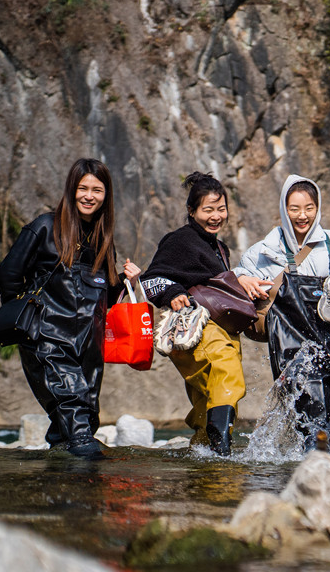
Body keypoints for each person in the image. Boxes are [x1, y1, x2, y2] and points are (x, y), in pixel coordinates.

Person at [0, 158, 140, 459]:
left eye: (97, 190)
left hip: (87, 346)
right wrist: (28, 322)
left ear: (106, 195)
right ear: (71, 190)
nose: (89, 196)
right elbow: (8, 274)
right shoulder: (45, 227)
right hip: (47, 340)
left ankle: (61, 493)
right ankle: (84, 487)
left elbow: (105, 298)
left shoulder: (103, 239)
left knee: (82, 417)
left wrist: (126, 280)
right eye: (82, 188)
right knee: (77, 424)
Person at [235, 174, 330, 451]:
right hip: (290, 339)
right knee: (309, 398)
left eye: (309, 208)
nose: (302, 215)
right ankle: (315, 455)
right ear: (283, 209)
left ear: (318, 207)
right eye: (294, 208)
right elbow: (238, 274)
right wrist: (243, 280)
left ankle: (326, 460)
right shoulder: (266, 249)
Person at [133, 172, 270, 456]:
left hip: (222, 327)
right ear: (192, 211)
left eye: (221, 209)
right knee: (227, 374)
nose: (216, 216)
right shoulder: (180, 240)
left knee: (206, 394)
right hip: (198, 324)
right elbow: (151, 281)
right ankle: (221, 454)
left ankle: (203, 455)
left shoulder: (219, 246)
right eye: (208, 210)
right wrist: (173, 294)